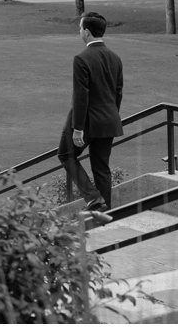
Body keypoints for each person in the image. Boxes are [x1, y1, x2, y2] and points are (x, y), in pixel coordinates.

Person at [58, 11, 124, 212]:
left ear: (86, 32)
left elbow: (81, 96)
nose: (79, 31)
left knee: (65, 154)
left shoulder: (82, 58)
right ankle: (105, 212)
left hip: (87, 122)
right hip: (109, 121)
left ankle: (94, 198)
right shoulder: (115, 58)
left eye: (80, 28)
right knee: (101, 167)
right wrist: (111, 116)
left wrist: (78, 128)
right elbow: (118, 93)